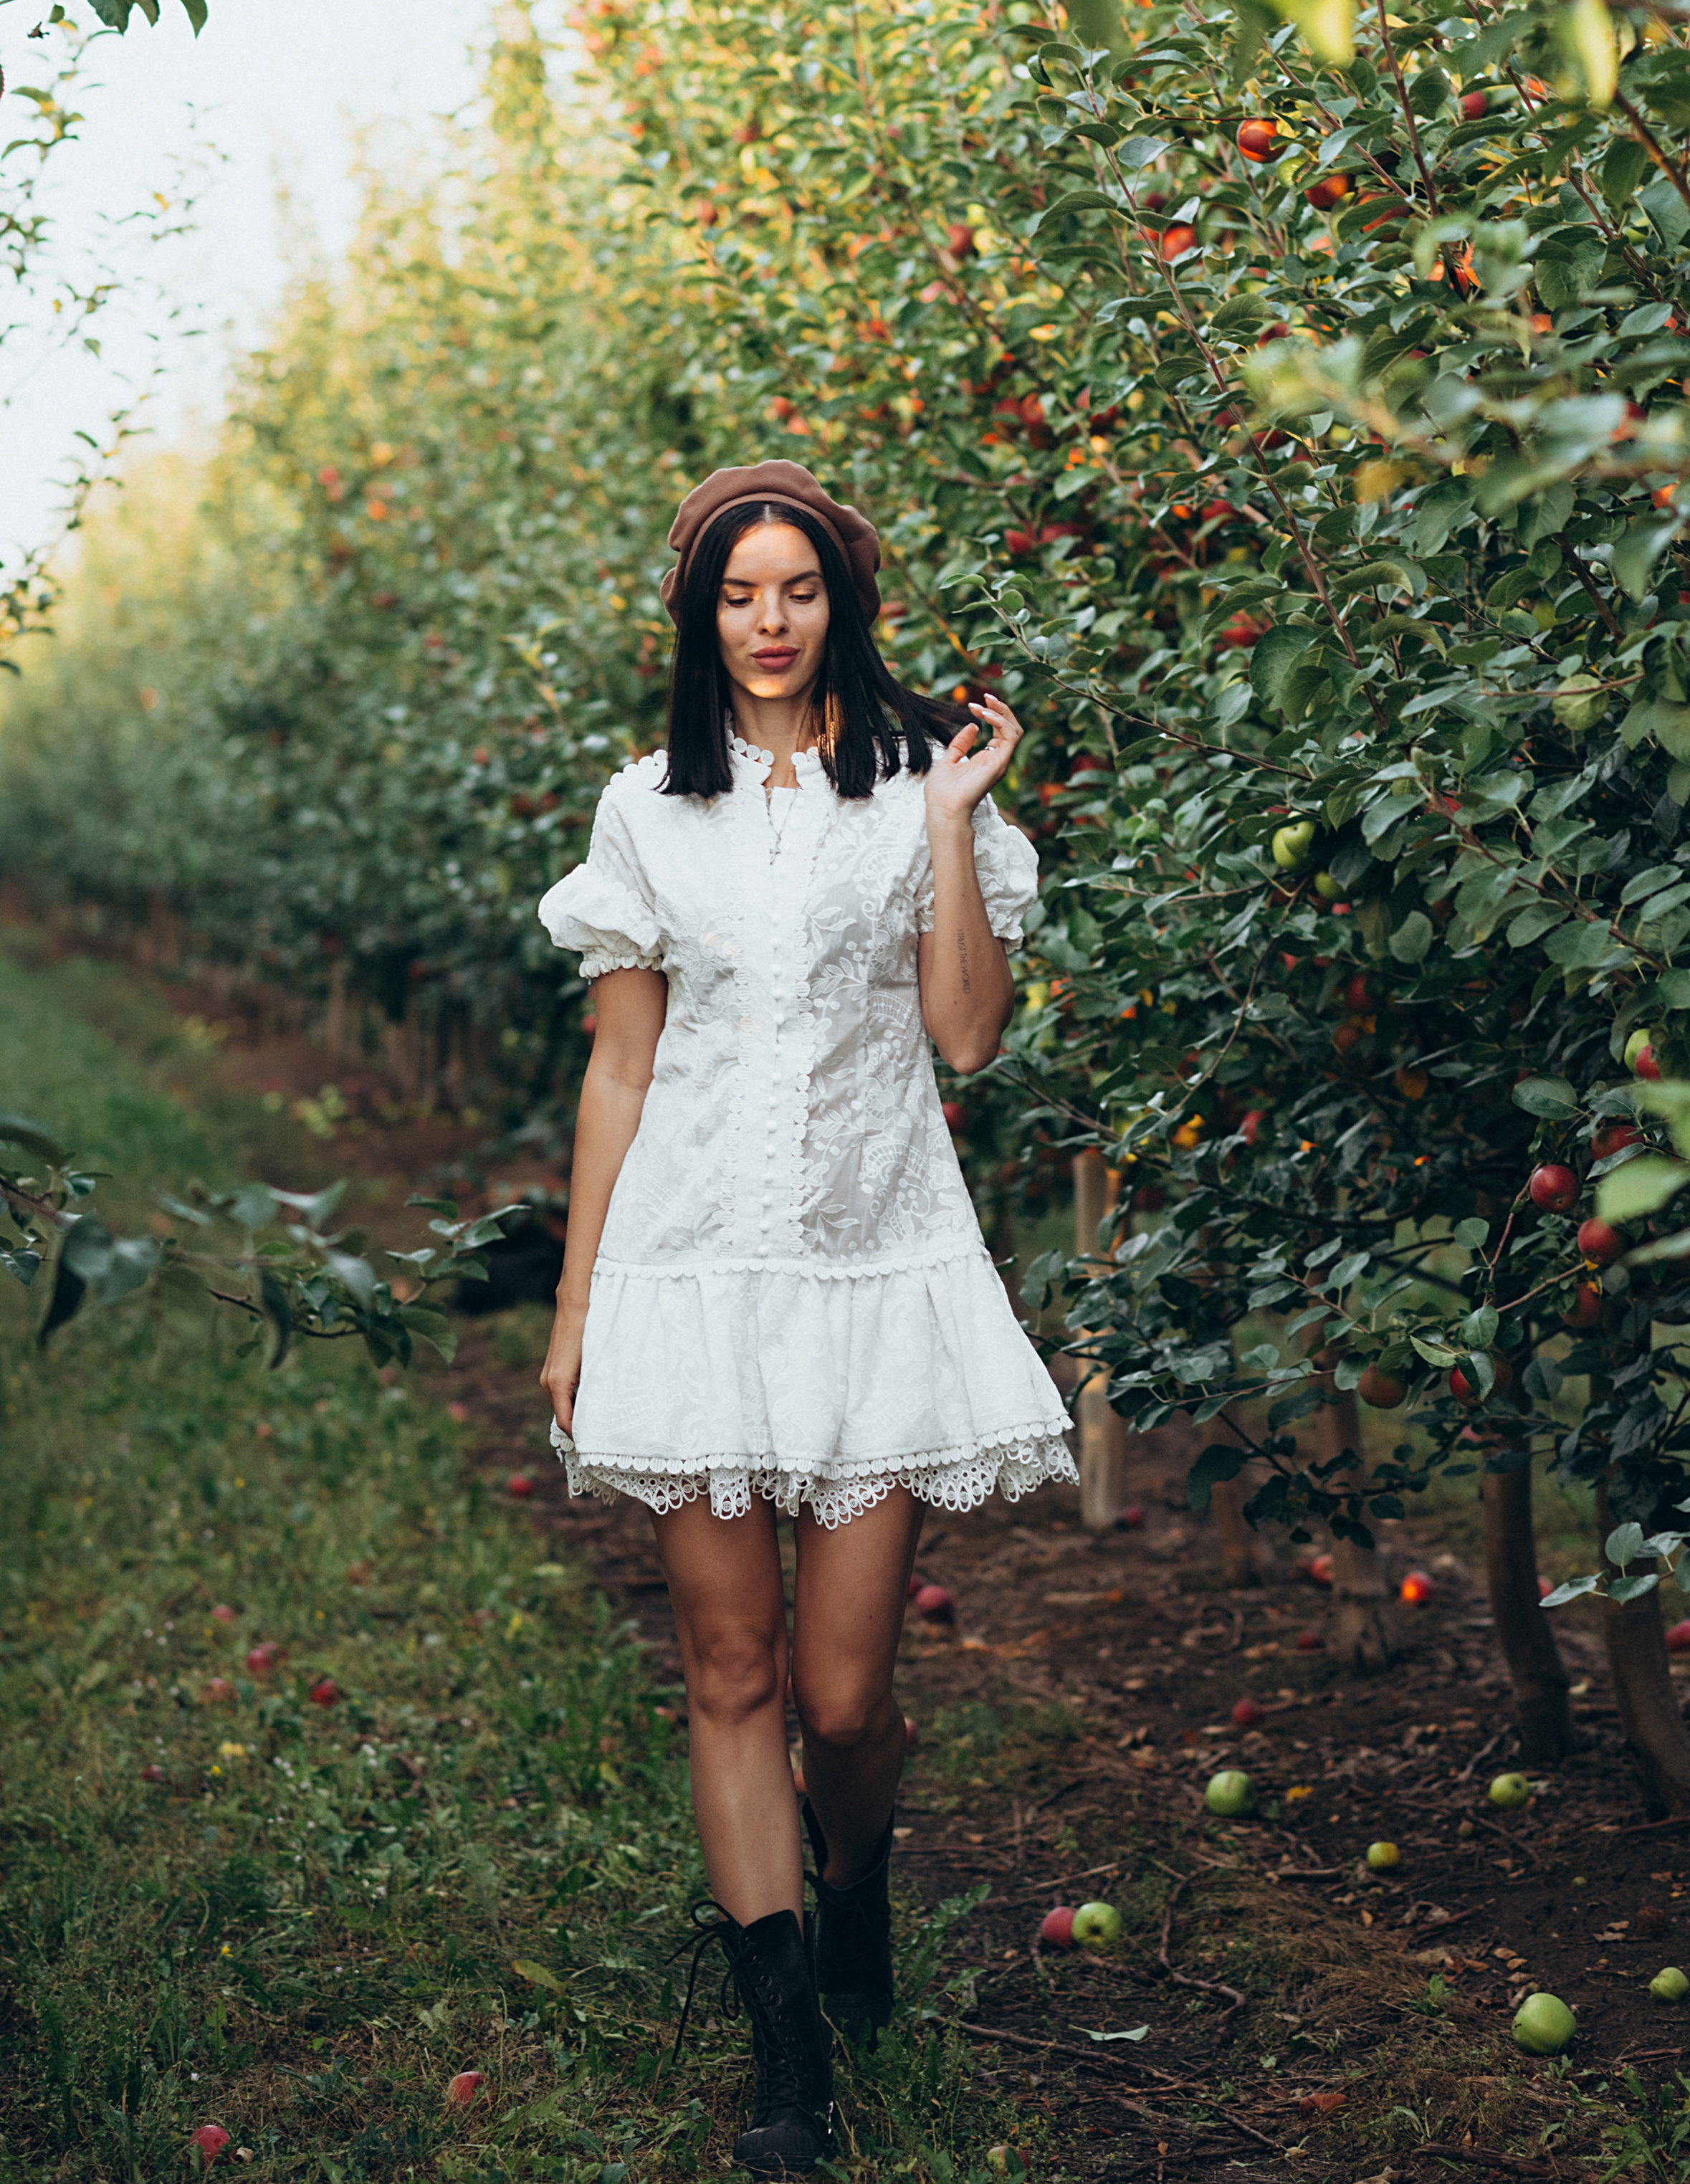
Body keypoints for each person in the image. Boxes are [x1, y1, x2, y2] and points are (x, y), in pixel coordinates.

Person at [535, 459, 1075, 2175]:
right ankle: (789, 2067)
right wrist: (576, 1303)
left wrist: (940, 828)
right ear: (701, 617)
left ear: (841, 600)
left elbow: (970, 1037)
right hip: (691, 1274)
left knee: (843, 1704)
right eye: (737, 596)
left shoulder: (926, 787)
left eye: (799, 591)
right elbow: (621, 1066)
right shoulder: (647, 809)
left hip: (870, 1269)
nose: (769, 624)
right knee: (732, 1670)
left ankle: (858, 1887)